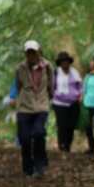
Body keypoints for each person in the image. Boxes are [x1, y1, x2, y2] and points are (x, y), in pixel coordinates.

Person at [15, 40, 55, 177]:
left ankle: (40, 164)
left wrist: (47, 99)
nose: (31, 55)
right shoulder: (20, 68)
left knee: (39, 133)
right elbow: (19, 86)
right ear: (25, 53)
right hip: (24, 107)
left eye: (34, 52)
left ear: (39, 52)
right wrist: (20, 102)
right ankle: (28, 168)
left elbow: (51, 86)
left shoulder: (48, 67)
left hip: (42, 106)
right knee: (24, 138)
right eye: (29, 52)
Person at [52, 51, 82, 151]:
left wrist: (81, 96)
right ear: (60, 63)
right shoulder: (56, 73)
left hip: (73, 102)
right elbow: (51, 86)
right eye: (62, 61)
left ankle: (68, 143)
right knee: (62, 124)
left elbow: (80, 87)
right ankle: (62, 144)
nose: (64, 63)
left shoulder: (75, 72)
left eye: (66, 61)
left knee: (71, 124)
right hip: (59, 102)